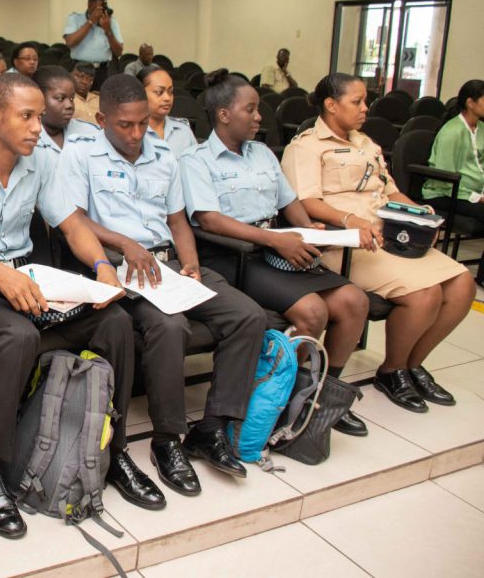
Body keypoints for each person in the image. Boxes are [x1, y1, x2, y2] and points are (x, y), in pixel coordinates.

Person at [0, 73, 163, 540]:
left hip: (28, 282)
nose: (37, 127)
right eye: (26, 116)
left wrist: (100, 266)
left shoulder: (40, 164)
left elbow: (71, 223)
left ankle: (113, 451)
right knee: (19, 335)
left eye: (38, 116)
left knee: (113, 320)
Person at [58, 74, 265, 494]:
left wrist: (190, 264)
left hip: (168, 264)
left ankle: (212, 428)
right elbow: (75, 220)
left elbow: (177, 221)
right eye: (125, 125)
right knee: (169, 327)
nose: (136, 135)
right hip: (119, 266)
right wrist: (125, 244)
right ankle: (167, 440)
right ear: (101, 119)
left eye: (142, 124)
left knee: (248, 316)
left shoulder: (166, 155)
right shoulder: (80, 156)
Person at [180, 70, 370, 436]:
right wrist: (275, 240)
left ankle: (318, 397)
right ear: (223, 114)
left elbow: (290, 201)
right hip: (238, 256)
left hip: (280, 246)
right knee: (313, 310)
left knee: (353, 302)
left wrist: (306, 227)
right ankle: (277, 401)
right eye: (250, 110)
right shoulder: (196, 160)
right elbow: (210, 220)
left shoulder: (263, 153)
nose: (258, 117)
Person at [282, 74, 475, 413]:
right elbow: (306, 202)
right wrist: (350, 220)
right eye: (356, 102)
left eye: (363, 101)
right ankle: (393, 369)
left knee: (463, 285)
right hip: (347, 244)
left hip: (391, 235)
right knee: (424, 294)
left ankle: (413, 365)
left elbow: (389, 190)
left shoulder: (366, 143)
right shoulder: (307, 146)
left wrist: (415, 209)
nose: (364, 108)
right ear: (331, 105)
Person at [423, 79, 484, 224]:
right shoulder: (452, 132)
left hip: (475, 192)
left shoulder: (481, 128)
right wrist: (477, 197)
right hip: (447, 193)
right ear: (470, 103)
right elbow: (445, 179)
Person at [63, 0, 123, 91]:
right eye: (97, 8)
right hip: (80, 70)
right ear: (89, 4)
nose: (100, 12)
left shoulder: (111, 22)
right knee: (78, 101)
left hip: (102, 72)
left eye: (102, 8)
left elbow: (119, 51)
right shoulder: (75, 18)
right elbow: (70, 43)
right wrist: (90, 22)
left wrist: (108, 30)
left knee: (99, 103)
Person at [137, 65, 197, 157]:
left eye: (170, 92)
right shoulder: (132, 132)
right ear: (140, 93)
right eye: (159, 92)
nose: (167, 98)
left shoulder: (184, 131)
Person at [32, 65, 76, 152]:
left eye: (71, 99)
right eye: (60, 98)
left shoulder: (90, 133)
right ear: (39, 99)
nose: (69, 105)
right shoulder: (24, 140)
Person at [70, 61, 101, 127]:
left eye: (89, 79)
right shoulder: (67, 99)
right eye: (80, 76)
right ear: (70, 75)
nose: (85, 82)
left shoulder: (99, 99)